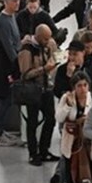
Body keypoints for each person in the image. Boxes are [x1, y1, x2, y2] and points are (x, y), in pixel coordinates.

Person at [55, 72, 92, 183]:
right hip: (71, 145)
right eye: (79, 86)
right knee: (71, 176)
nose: (83, 89)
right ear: (73, 87)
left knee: (90, 175)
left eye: (85, 85)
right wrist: (67, 106)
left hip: (89, 145)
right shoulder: (67, 98)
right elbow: (59, 118)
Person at [18, 24, 58, 166]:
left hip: (47, 89)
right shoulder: (27, 50)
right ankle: (33, 153)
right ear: (39, 37)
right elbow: (25, 73)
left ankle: (44, 149)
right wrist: (44, 69)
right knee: (32, 122)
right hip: (33, 90)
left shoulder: (47, 45)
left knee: (51, 119)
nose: (49, 42)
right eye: (46, 39)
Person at [0, 0, 24, 148]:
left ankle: (0, 130)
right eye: (14, 1)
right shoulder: (3, 20)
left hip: (9, 64)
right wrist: (16, 66)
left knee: (6, 99)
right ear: (6, 2)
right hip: (5, 66)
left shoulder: (12, 17)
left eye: (18, 1)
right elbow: (8, 46)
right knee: (4, 99)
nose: (17, 4)